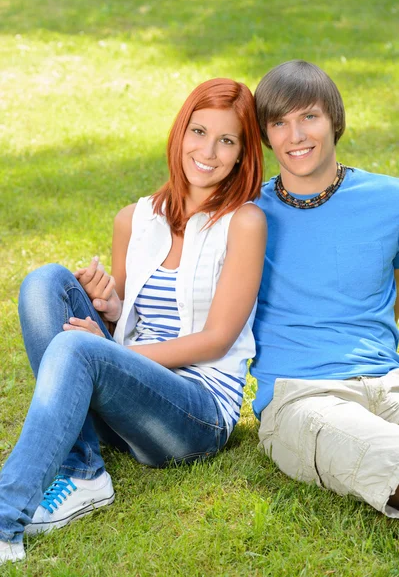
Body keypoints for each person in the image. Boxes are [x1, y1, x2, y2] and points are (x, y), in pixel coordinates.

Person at [0, 78, 267, 565]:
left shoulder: (244, 223)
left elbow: (215, 340)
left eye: (226, 140)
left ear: (242, 154)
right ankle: (85, 471)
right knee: (45, 282)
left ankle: (3, 519)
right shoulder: (136, 218)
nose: (208, 151)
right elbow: (127, 316)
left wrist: (111, 352)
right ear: (179, 132)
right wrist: (109, 304)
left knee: (79, 349)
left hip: (196, 412)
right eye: (199, 131)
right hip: (129, 399)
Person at [251, 59, 399, 517]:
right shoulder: (247, 215)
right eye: (279, 123)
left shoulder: (389, 199)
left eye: (309, 117)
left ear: (334, 120)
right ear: (266, 135)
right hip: (301, 396)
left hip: (390, 382)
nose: (295, 136)